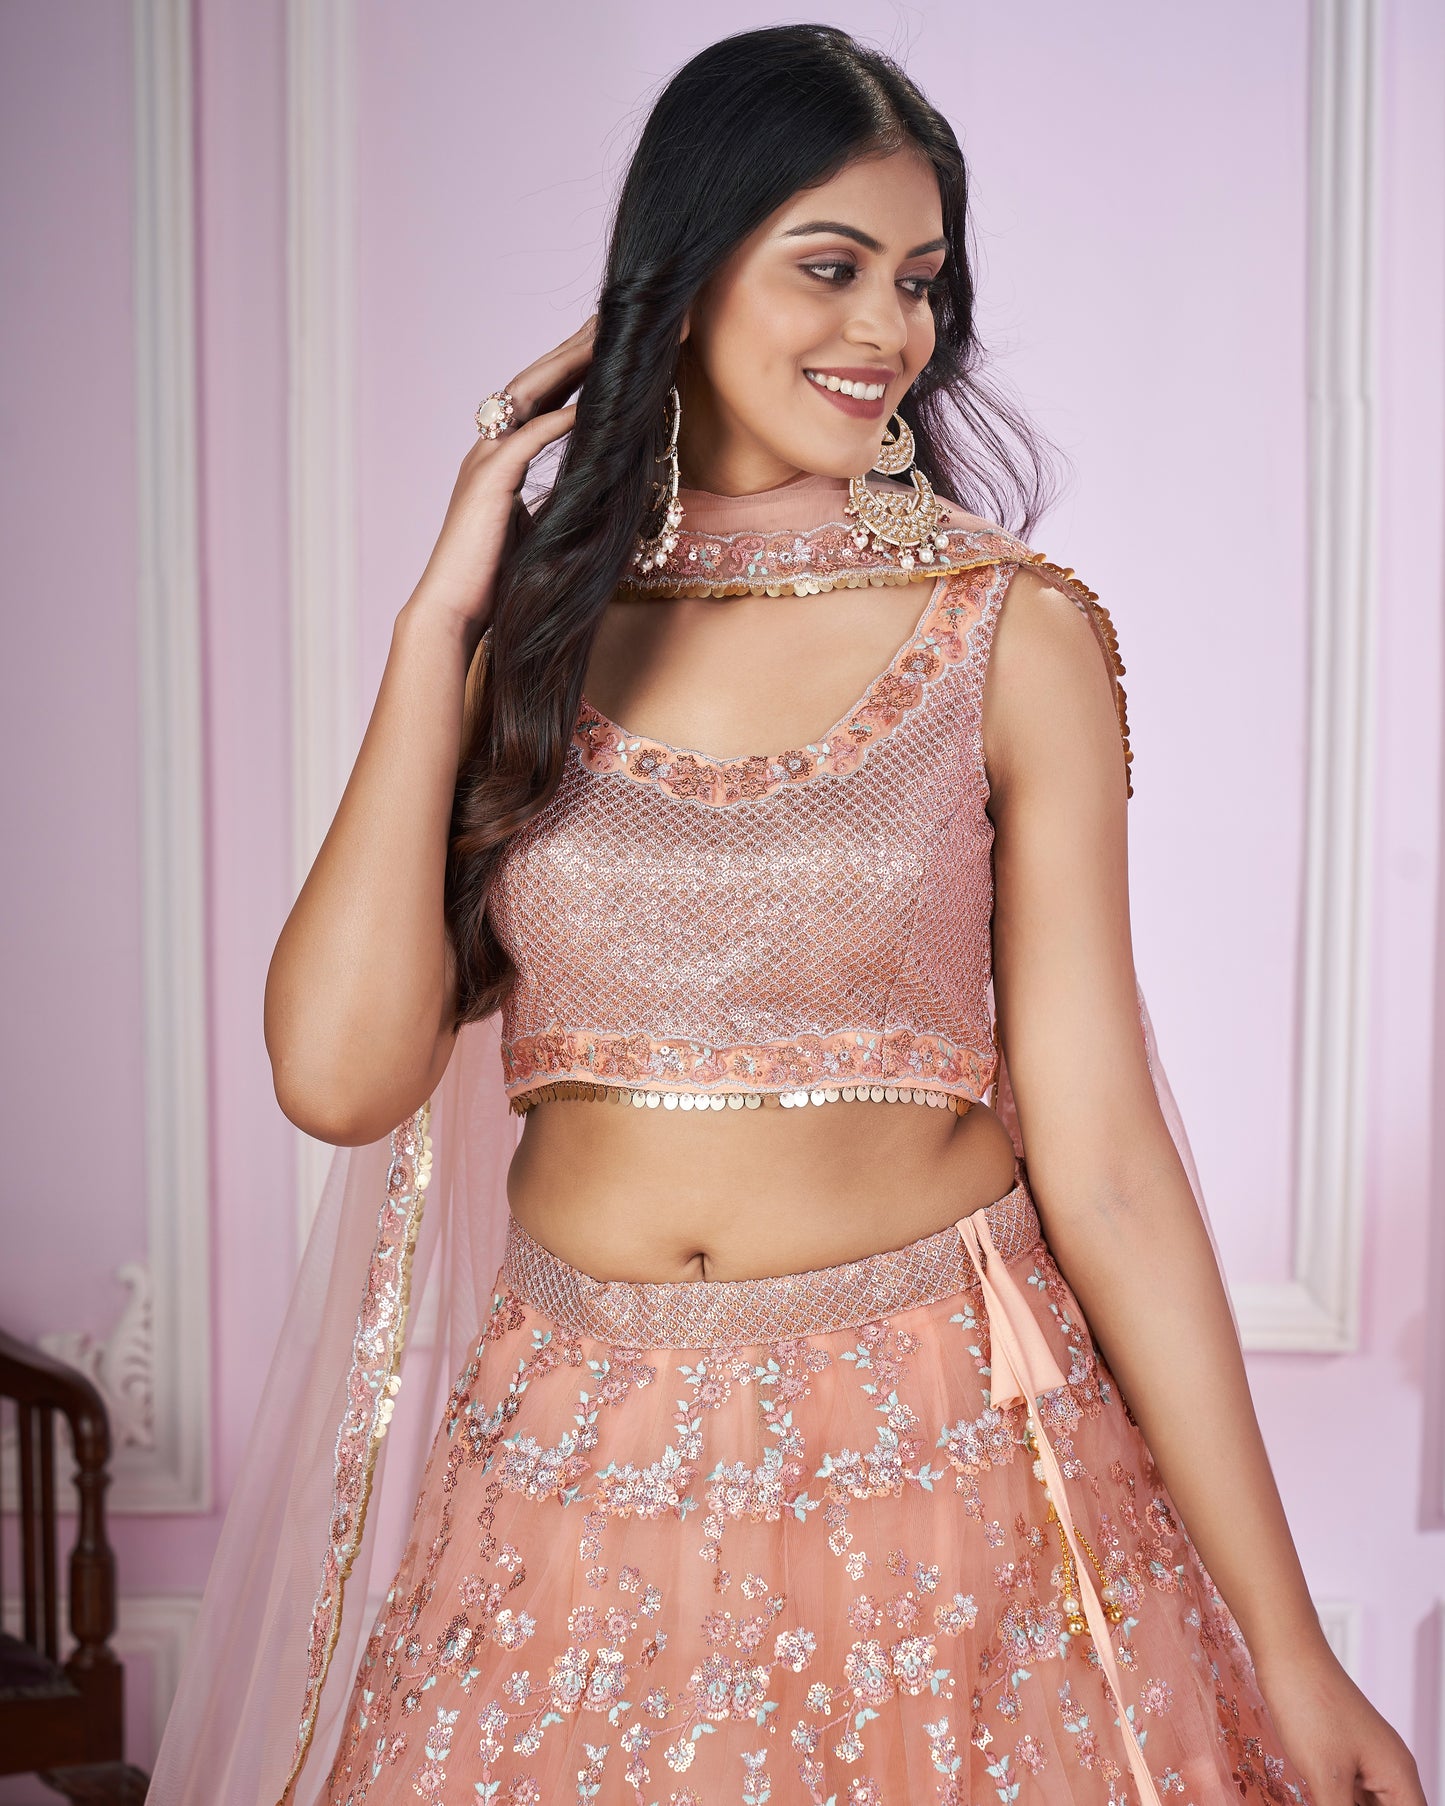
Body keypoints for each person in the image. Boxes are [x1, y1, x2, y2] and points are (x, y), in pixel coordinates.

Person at [149, 24, 1424, 1806]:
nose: (885, 330)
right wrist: (439, 615)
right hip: (563, 1476)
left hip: (945, 1457)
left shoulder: (1008, 631)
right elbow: (338, 1075)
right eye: (827, 269)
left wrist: (1288, 1648)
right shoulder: (527, 634)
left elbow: (1109, 1162)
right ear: (678, 280)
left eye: (917, 282)